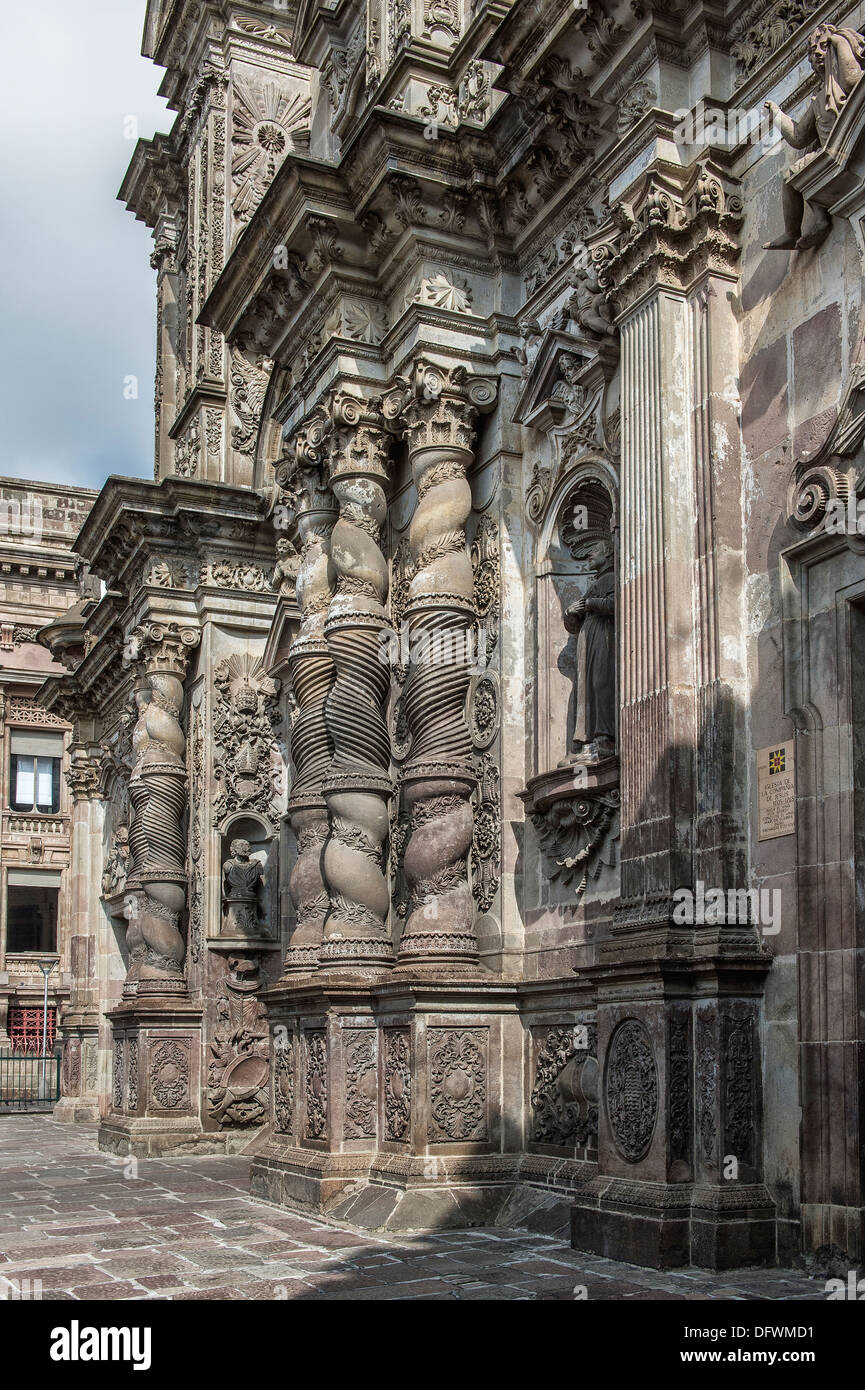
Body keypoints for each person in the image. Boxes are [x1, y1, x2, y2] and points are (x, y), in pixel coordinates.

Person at [763, 24, 865, 250]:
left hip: (847, 149)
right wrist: (778, 116)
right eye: (812, 50)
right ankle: (802, 228)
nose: (817, 53)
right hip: (831, 155)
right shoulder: (819, 99)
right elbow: (799, 137)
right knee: (793, 175)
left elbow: (852, 81)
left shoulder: (843, 78)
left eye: (823, 46)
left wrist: (838, 42)